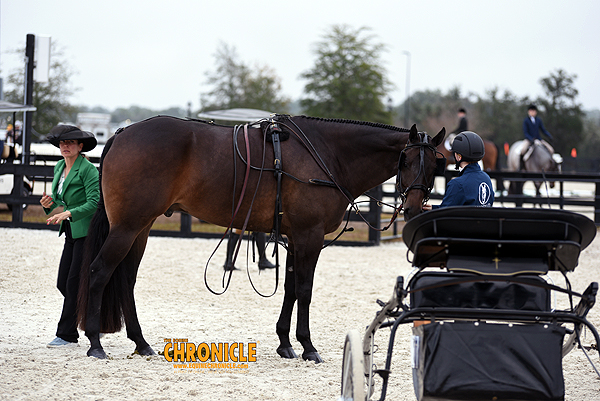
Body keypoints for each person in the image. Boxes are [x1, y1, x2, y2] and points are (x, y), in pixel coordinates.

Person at [41, 125, 100, 348]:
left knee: (73, 284)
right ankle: (93, 316)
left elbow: (94, 202)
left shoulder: (88, 170)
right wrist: (48, 205)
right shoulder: (59, 166)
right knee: (62, 283)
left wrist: (69, 213)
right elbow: (59, 200)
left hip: (87, 232)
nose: (65, 146)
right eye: (62, 143)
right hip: (70, 231)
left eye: (71, 143)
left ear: (80, 146)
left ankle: (67, 335)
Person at [423, 131, 494, 210]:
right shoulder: (486, 179)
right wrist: (433, 208)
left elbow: (445, 212)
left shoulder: (456, 184)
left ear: (459, 157)